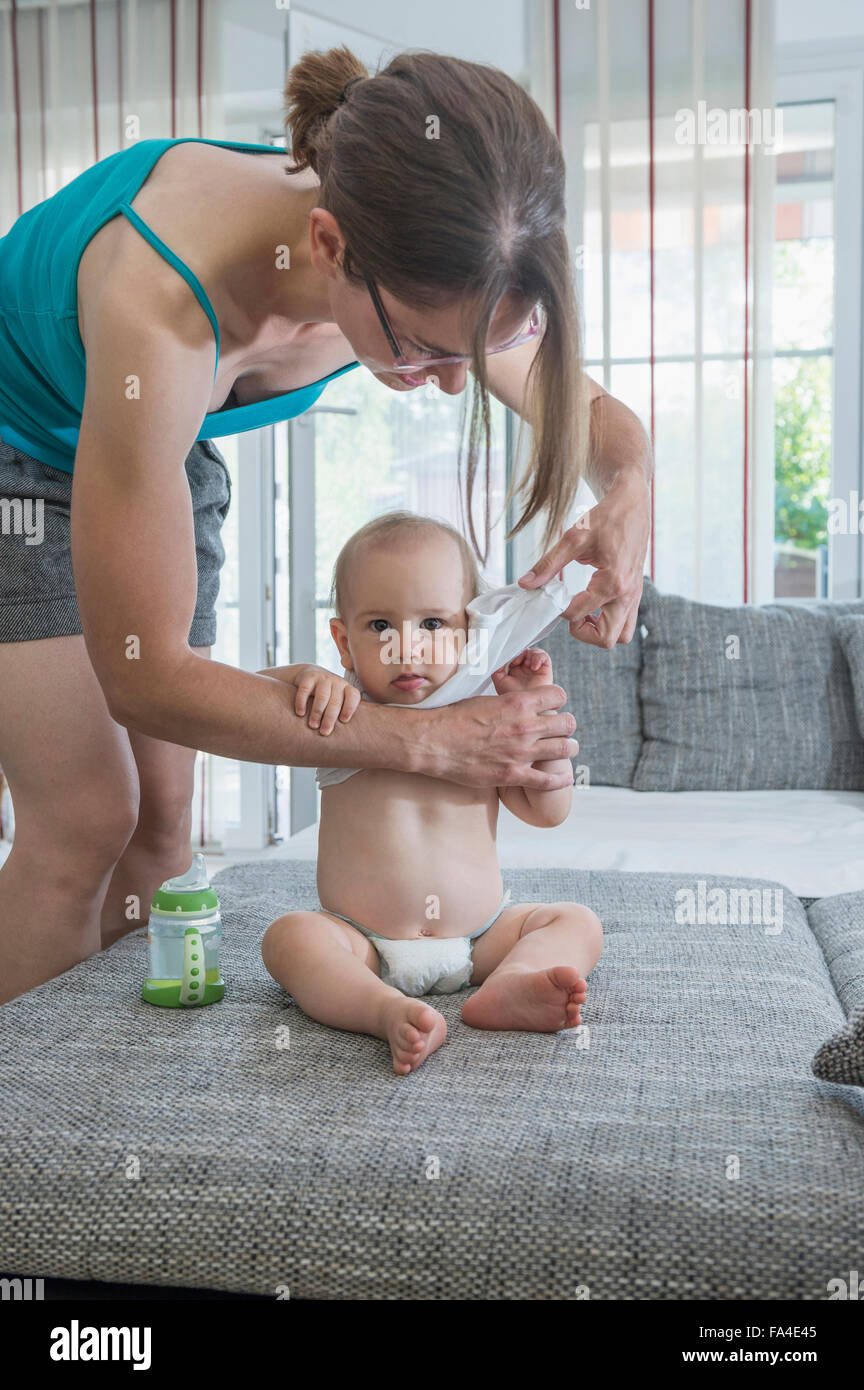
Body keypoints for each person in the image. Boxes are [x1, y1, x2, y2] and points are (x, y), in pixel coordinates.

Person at [0, 45, 648, 1003]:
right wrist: (428, 739)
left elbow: (595, 425)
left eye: (485, 345)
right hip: (20, 453)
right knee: (89, 817)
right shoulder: (163, 303)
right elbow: (144, 680)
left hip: (159, 447)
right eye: (428, 349)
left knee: (164, 825)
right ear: (328, 246)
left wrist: (629, 493)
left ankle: (112, 1096)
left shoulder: (433, 252)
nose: (459, 381)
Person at [262, 514, 604, 1074]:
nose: (406, 647)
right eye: (378, 625)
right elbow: (242, 703)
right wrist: (299, 676)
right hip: (363, 944)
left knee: (576, 921)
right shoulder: (340, 715)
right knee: (290, 938)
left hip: (481, 939)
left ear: (471, 633)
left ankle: (512, 985)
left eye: (431, 623)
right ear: (342, 642)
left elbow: (548, 811)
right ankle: (382, 1009)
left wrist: (536, 715)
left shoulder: (486, 724)